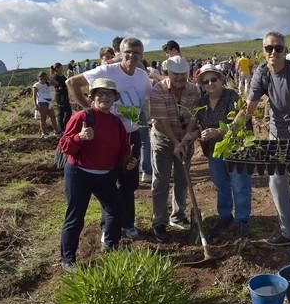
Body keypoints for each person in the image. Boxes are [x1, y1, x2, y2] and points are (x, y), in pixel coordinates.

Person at [239, 31, 290, 264]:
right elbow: (249, 108)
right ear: (263, 50)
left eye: (278, 48)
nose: (273, 52)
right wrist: (230, 129)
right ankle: (287, 232)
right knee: (276, 183)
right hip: (276, 135)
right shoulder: (261, 72)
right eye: (269, 48)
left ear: (285, 49)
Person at [66, 37, 151, 240]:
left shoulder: (142, 76)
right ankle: (108, 228)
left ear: (142, 56)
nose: (131, 56)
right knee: (109, 184)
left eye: (136, 53)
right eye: (127, 52)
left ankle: (127, 224)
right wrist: (89, 110)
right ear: (120, 52)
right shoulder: (107, 71)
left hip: (130, 135)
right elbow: (71, 82)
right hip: (107, 136)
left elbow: (149, 99)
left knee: (129, 183)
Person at [58, 78, 137, 272]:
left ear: (114, 98)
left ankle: (110, 246)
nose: (104, 97)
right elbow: (64, 145)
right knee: (75, 217)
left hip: (105, 175)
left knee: (115, 211)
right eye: (99, 94)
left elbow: (122, 152)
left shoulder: (116, 123)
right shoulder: (81, 117)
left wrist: (128, 162)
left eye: (108, 94)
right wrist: (80, 137)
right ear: (92, 97)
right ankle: (68, 260)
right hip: (79, 173)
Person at [196, 64, 252, 237]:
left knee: (240, 184)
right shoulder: (202, 102)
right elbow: (196, 123)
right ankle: (225, 216)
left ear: (221, 80)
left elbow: (241, 117)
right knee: (221, 184)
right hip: (214, 150)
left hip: (235, 147)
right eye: (206, 81)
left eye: (214, 79)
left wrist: (220, 131)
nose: (210, 84)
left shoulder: (232, 96)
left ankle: (242, 220)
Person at [149, 55, 200, 243]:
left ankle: (178, 216)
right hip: (163, 139)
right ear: (167, 73)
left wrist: (185, 140)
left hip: (184, 139)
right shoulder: (158, 90)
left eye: (182, 75)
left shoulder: (194, 90)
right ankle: (159, 221)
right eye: (174, 74)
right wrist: (175, 142)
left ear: (187, 73)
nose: (179, 79)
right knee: (161, 180)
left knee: (182, 179)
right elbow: (160, 121)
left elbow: (194, 117)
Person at [32, 71, 60, 138]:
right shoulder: (36, 85)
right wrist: (35, 105)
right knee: (43, 118)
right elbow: (34, 96)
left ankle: (56, 132)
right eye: (42, 77)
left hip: (49, 102)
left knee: (53, 117)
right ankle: (44, 133)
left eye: (45, 77)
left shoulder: (47, 83)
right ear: (39, 77)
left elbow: (56, 83)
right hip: (42, 102)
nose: (43, 79)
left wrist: (49, 78)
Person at [51, 62, 72, 132]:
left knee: (67, 112)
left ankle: (63, 127)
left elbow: (67, 83)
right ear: (57, 68)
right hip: (60, 96)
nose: (62, 69)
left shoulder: (62, 76)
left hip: (65, 95)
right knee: (62, 112)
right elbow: (58, 85)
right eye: (61, 68)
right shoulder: (55, 77)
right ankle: (61, 128)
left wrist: (69, 76)